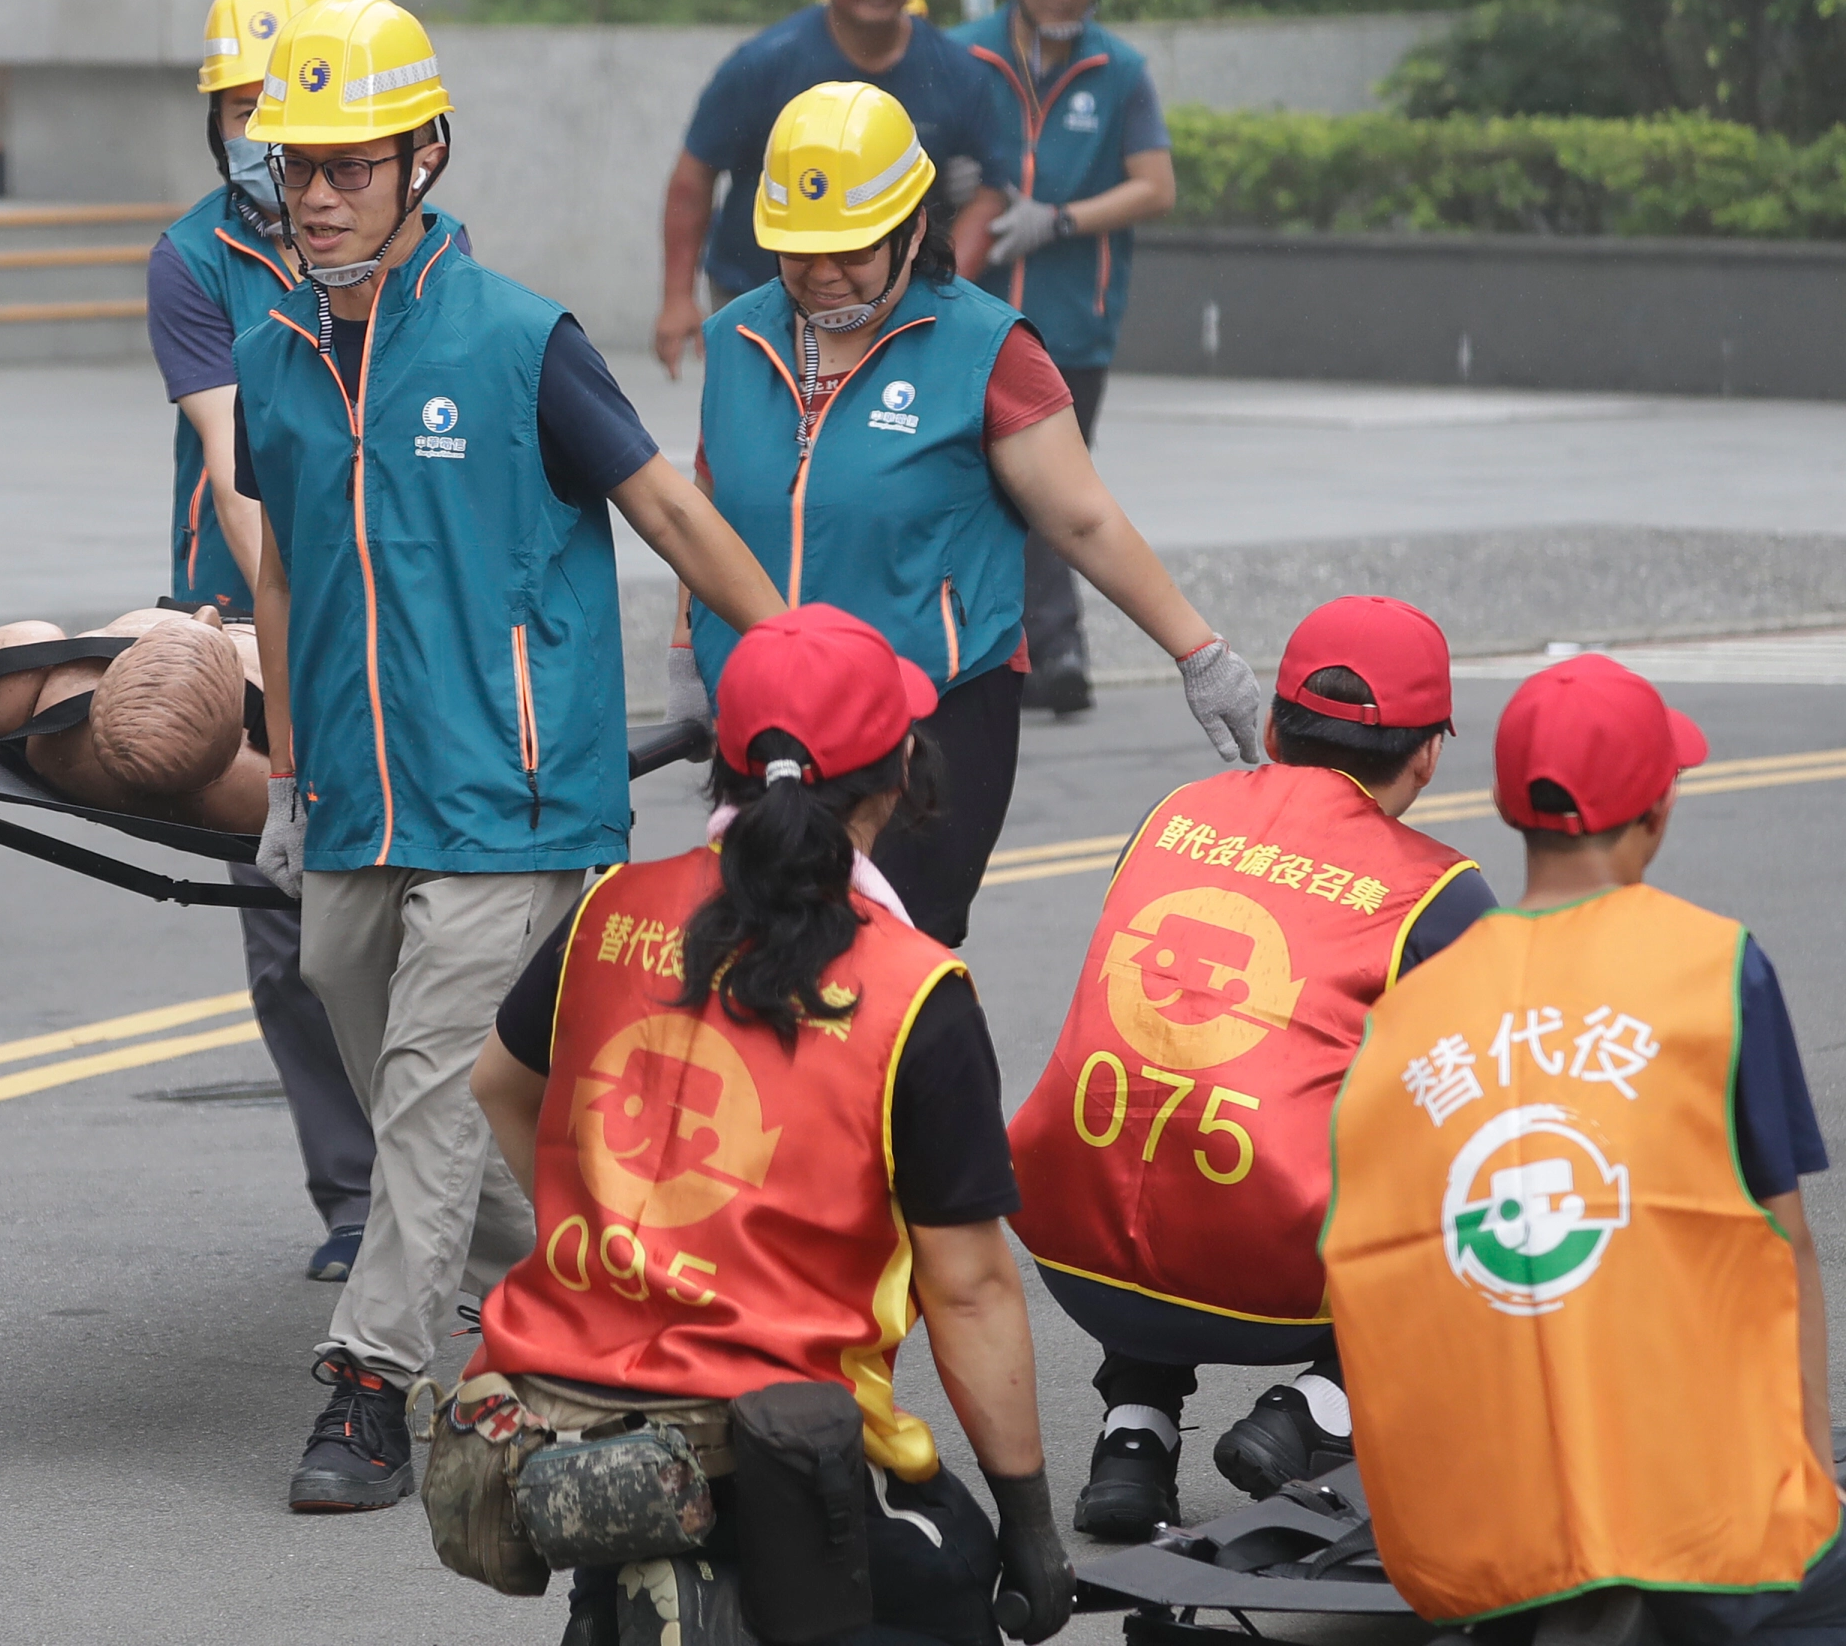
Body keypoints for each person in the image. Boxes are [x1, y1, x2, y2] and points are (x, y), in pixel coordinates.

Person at [232, 0, 787, 1513]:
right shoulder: (277, 350)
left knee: (420, 1084)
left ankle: (369, 1385)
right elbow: (280, 568)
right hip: (351, 793)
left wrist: (791, 659)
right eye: (300, 168)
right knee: (425, 1079)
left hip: (514, 797)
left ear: (425, 160)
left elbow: (667, 511)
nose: (324, 192)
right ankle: (594, 1292)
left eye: (354, 164)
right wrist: (285, 774)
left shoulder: (517, 338)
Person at [463, 605, 1073, 1645]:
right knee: (952, 1577)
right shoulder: (914, 989)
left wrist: (613, 1239)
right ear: (901, 771)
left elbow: (498, 1083)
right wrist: (1030, 1527)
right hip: (780, 1429)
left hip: (562, 1395)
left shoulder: (611, 907)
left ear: (726, 767)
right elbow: (967, 1286)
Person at [669, 81, 1264, 947]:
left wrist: (1198, 652)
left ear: (914, 227)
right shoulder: (736, 340)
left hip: (928, 723)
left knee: (885, 962)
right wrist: (692, 655)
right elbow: (709, 516)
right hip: (764, 719)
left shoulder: (985, 347)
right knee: (760, 960)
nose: (823, 272)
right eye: (799, 251)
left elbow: (1083, 519)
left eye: (851, 248)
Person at [1326, 656, 1842, 1634]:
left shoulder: (1407, 1018)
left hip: (1477, 1534)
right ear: (1660, 805)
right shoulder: (1714, 967)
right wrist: (1807, 1475)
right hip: (1698, 1517)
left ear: (1506, 804)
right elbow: (1786, 1250)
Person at [1004, 596, 1496, 1538]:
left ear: (1271, 725)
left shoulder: (1174, 815)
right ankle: (1318, 1407)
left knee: (1168, 1093)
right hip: (1271, 1287)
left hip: (1072, 1247)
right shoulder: (1440, 890)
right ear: (1429, 753)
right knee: (1475, 1164)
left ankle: (1133, 1437)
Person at [145, 0, 377, 1283]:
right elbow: (238, 473)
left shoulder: (399, 232)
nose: (264, 132)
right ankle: (353, 1196)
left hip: (402, 598)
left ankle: (453, 1174)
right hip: (246, 609)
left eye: (282, 105)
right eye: (242, 104)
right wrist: (289, 636)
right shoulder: (195, 257)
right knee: (285, 913)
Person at [954, 0, 1177, 718]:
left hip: (1071, 322)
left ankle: (1054, 647)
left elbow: (1155, 185)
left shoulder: (1120, 72)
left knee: (1053, 488)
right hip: (967, 317)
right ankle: (1025, 650)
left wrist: (1061, 220)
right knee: (975, 484)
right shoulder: (963, 54)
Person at [652, 0, 1014, 381]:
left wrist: (945, 287)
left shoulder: (957, 73)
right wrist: (676, 298)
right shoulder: (762, 65)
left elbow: (994, 191)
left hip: (893, 308)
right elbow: (693, 179)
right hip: (757, 295)